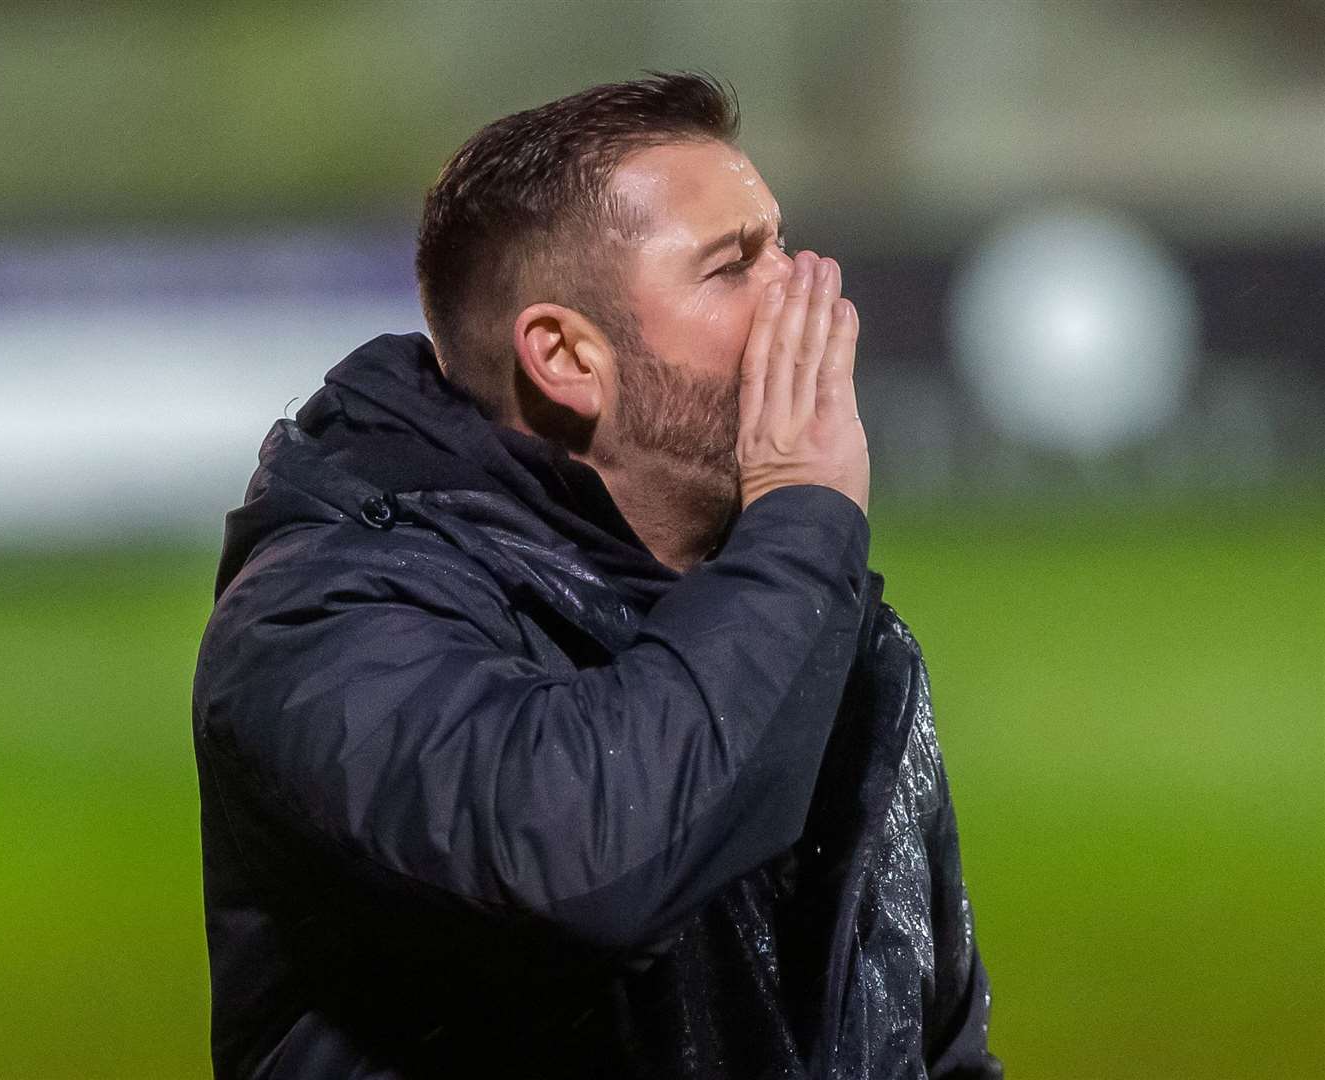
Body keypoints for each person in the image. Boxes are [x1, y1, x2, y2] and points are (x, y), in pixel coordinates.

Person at [193, 72, 1000, 1079]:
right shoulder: (325, 619)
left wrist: (799, 554)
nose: (805, 290)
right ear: (567, 357)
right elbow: (585, 867)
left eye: (779, 242)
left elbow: (928, 1041)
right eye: (732, 266)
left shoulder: (827, 628)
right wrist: (798, 513)